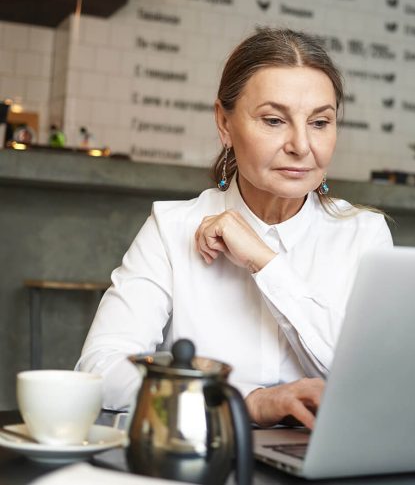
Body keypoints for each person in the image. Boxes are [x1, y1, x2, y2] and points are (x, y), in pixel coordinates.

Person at [76, 27, 393, 429]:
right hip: (204, 458)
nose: (301, 144)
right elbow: (100, 373)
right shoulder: (172, 227)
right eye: (274, 120)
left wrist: (265, 261)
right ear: (224, 124)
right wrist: (244, 403)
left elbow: (372, 383)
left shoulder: (365, 235)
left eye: (319, 122)